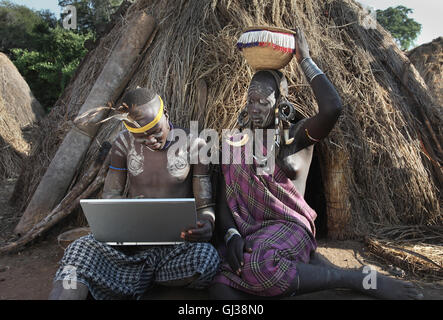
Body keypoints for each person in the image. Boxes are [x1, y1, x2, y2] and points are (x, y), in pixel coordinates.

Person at [209, 27, 423, 300]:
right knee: (218, 285)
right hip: (249, 233)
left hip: (288, 227)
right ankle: (293, 274)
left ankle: (351, 278)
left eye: (263, 101)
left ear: (280, 103)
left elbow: (332, 108)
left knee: (259, 265)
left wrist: (305, 60)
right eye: (250, 101)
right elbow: (224, 201)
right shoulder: (234, 144)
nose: (254, 108)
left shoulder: (296, 137)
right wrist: (230, 235)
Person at [49, 88, 220, 300]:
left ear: (165, 114)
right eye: (140, 137)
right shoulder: (122, 144)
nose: (150, 140)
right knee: (78, 251)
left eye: (156, 131)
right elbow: (110, 197)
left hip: (175, 249)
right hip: (128, 249)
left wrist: (206, 225)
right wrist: (124, 207)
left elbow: (204, 207)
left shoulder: (195, 145)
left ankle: (128, 285)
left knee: (206, 259)